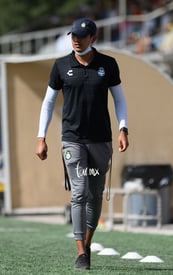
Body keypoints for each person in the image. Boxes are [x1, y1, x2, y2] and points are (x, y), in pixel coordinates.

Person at [35, 17, 129, 270]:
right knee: (79, 193)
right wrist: (40, 137)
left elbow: (119, 100)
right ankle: (80, 253)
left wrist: (123, 129)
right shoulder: (61, 65)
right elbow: (48, 102)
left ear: (93, 38)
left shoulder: (108, 65)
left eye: (81, 36)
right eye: (73, 35)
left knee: (95, 194)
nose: (75, 40)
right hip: (72, 140)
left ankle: (87, 243)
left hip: (101, 140)